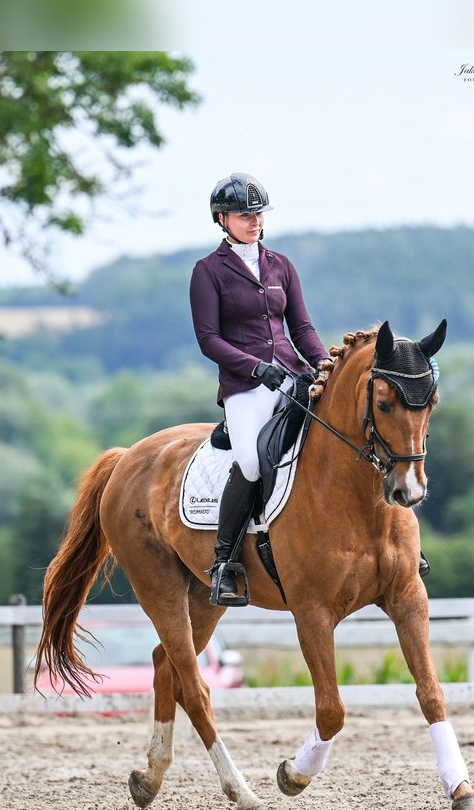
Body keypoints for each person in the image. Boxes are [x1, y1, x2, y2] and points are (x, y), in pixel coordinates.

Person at [190, 172, 330, 605]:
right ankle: (224, 562)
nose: (254, 221)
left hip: (291, 374)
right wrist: (254, 369)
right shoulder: (208, 272)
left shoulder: (281, 266)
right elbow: (209, 339)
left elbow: (301, 327)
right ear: (222, 218)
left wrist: (325, 363)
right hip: (245, 387)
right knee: (251, 461)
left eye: (258, 214)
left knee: (343, 439)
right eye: (243, 215)